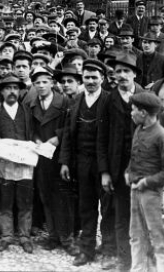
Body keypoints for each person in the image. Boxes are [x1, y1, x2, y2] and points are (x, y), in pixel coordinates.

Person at [59, 59, 115, 266]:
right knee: (86, 207)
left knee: (108, 208)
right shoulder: (76, 101)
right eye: (87, 77)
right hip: (81, 163)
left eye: (94, 77)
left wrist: (109, 168)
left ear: (102, 78)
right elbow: (67, 134)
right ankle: (87, 250)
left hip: (105, 166)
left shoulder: (110, 100)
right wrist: (65, 161)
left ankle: (109, 250)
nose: (90, 81)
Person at [97, 53, 145, 271]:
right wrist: (105, 171)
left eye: (127, 71)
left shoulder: (146, 96)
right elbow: (102, 137)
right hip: (117, 168)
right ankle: (121, 259)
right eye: (119, 71)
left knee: (141, 215)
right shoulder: (108, 99)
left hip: (142, 168)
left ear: (134, 74)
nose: (123, 75)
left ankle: (141, 258)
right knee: (117, 213)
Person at [26, 67, 77, 255]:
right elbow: (29, 128)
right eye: (37, 83)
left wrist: (57, 137)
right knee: (45, 196)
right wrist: (37, 140)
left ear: (52, 83)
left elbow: (71, 127)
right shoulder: (32, 105)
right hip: (42, 157)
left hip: (60, 155)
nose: (41, 85)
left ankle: (67, 238)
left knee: (63, 198)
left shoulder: (64, 102)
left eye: (44, 81)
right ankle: (53, 236)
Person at [127, 92, 164, 272]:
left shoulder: (162, 136)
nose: (131, 113)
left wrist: (145, 182)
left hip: (153, 195)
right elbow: (135, 156)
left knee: (159, 239)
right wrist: (128, 173)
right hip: (135, 191)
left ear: (143, 113)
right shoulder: (139, 129)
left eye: (133, 110)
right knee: (136, 236)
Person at [0, 74, 35, 254]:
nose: (12, 92)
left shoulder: (27, 111)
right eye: (8, 88)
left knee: (25, 201)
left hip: (25, 163)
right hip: (4, 164)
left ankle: (25, 236)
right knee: (5, 201)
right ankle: (7, 236)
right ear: (1, 91)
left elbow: (34, 135)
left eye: (15, 88)